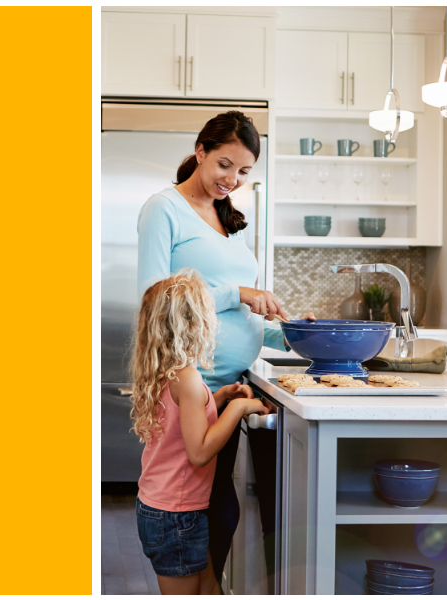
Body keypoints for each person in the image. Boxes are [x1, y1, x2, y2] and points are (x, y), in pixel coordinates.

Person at [137, 110, 310, 589]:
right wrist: (239, 293)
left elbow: (241, 314)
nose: (231, 179)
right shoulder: (164, 209)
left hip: (228, 389)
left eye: (244, 171)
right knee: (199, 515)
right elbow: (154, 304)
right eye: (224, 165)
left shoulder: (229, 218)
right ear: (201, 152)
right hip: (195, 388)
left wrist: (288, 332)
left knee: (217, 516)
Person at [131, 270, 270, 595]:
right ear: (194, 324)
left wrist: (220, 398)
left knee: (209, 588)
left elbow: (180, 422)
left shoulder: (170, 373)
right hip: (175, 516)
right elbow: (199, 451)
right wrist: (237, 409)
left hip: (165, 508)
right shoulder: (189, 379)